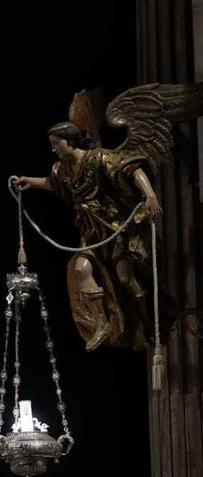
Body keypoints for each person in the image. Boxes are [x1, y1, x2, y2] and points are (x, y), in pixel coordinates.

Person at [11, 119, 162, 350]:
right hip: (92, 232)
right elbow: (53, 184)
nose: (53, 149)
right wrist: (29, 182)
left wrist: (150, 195)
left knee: (124, 278)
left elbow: (131, 168)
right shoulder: (62, 170)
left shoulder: (98, 158)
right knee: (81, 269)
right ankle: (101, 323)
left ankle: (147, 321)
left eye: (56, 143)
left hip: (116, 228)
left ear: (70, 141)